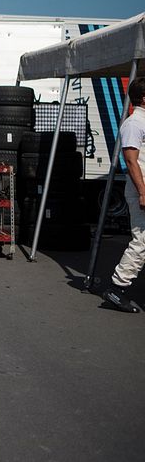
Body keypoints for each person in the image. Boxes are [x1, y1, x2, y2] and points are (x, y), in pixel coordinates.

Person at [102, 77, 145, 313]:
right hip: (142, 189)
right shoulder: (134, 123)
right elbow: (130, 160)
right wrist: (142, 192)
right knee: (141, 241)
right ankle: (117, 288)